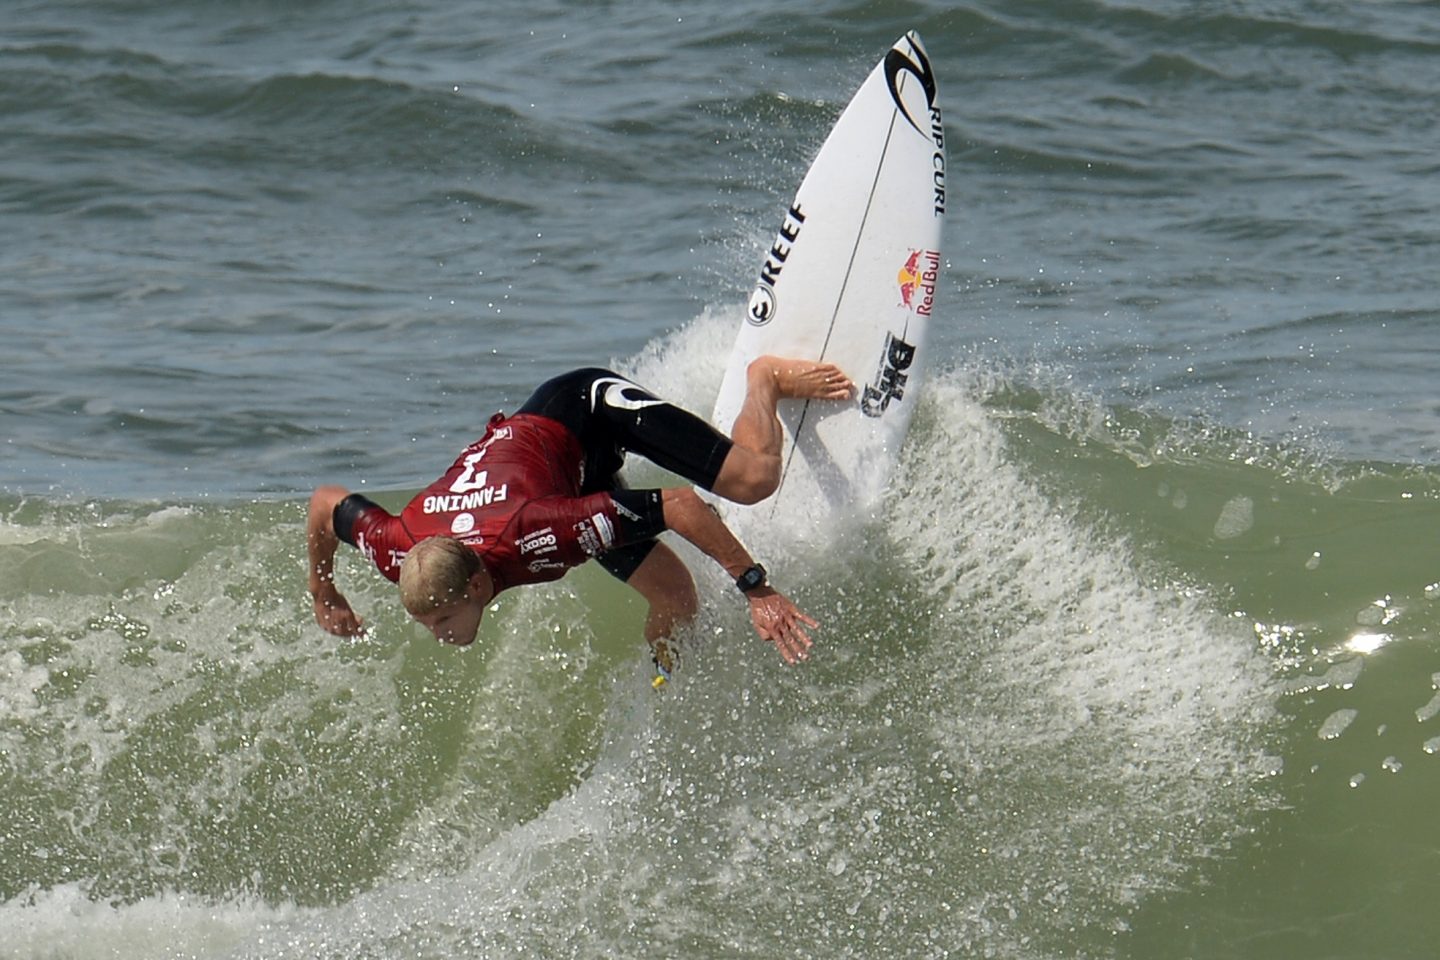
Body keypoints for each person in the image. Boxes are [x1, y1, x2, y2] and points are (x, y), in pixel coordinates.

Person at [305, 356, 854, 676]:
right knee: (676, 598)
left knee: (753, 480)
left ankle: (766, 381)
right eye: (427, 623)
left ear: (476, 584)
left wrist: (756, 589)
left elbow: (681, 505)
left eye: (443, 620)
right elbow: (326, 503)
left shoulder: (541, 533)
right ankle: (668, 682)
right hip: (555, 475)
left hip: (584, 411)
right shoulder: (398, 548)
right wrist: (323, 590)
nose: (437, 634)